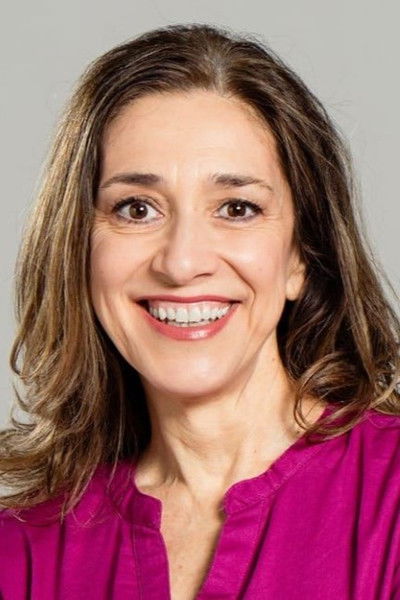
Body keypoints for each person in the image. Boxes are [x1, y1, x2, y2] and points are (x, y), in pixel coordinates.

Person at [1, 22, 399, 600]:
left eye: (236, 208)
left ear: (300, 256)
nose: (182, 262)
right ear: (77, 250)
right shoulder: (20, 554)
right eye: (136, 209)